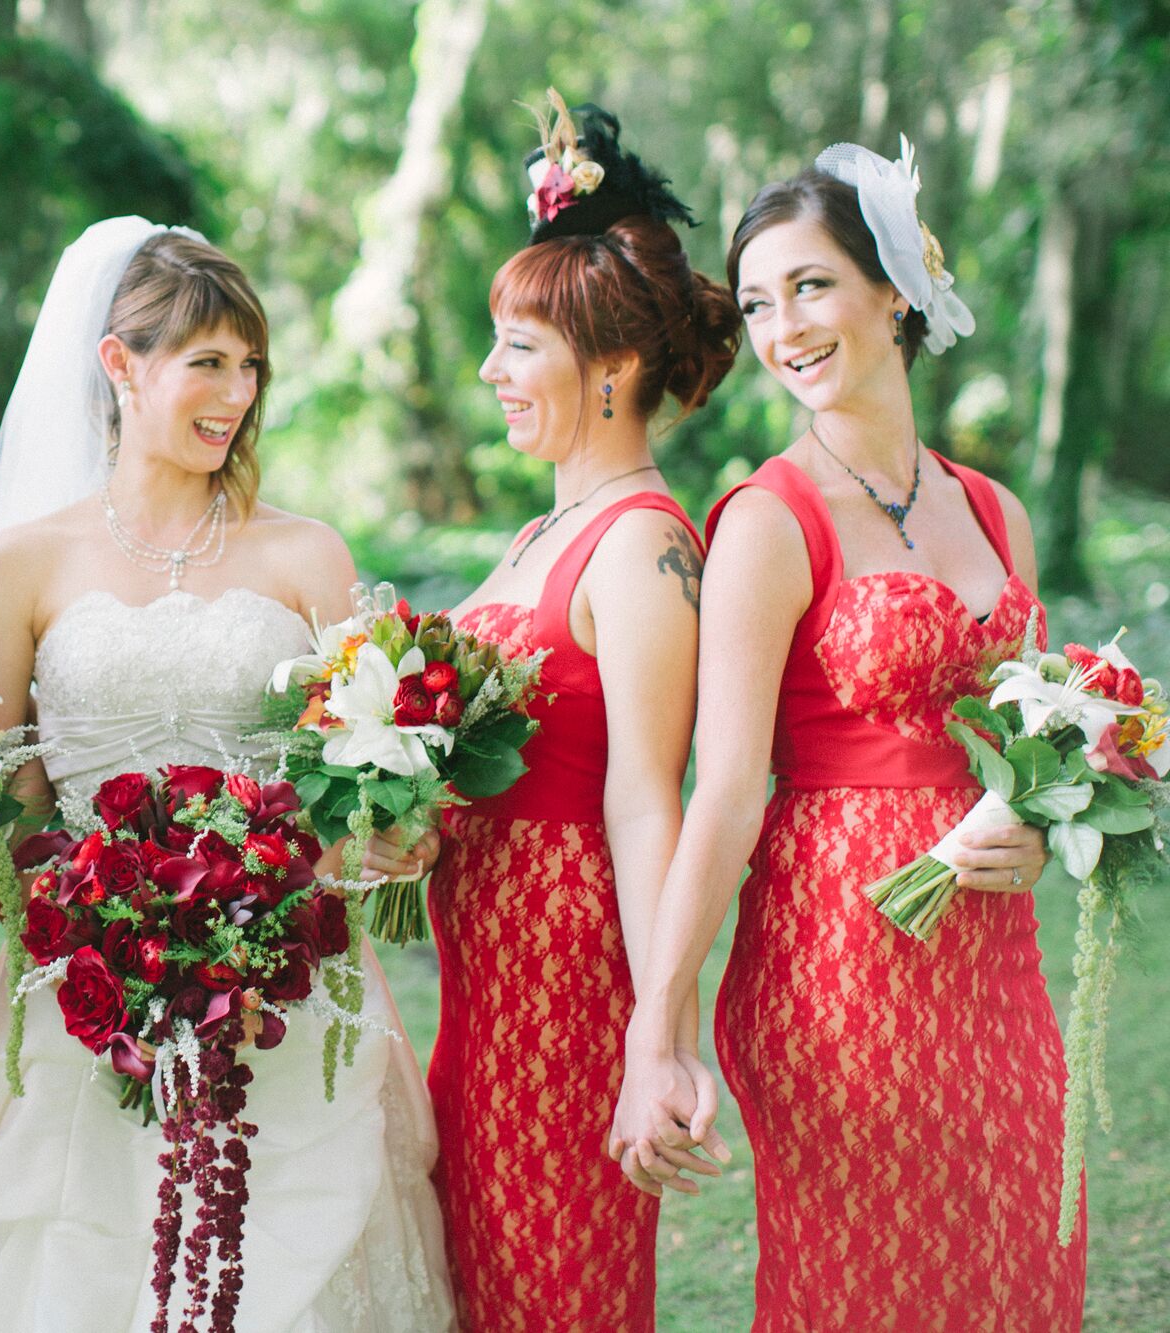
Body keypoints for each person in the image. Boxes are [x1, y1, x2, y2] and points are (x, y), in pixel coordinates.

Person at [0, 219, 454, 1331]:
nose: (236, 391)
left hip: (281, 982)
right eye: (205, 361)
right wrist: (102, 915)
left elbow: (351, 779)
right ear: (118, 363)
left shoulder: (304, 554)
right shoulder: (27, 563)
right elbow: (4, 801)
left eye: (249, 364)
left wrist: (380, 837)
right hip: (86, 988)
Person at [610, 138, 1086, 1330]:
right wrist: (654, 1035)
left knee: (1022, 1258)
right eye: (759, 302)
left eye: (809, 286)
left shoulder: (993, 510)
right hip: (832, 965)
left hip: (992, 959)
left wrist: (1035, 831)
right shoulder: (768, 520)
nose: (782, 327)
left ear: (895, 287)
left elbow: (1031, 753)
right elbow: (720, 790)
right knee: (863, 1290)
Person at [421, 96, 739, 1330]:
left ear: (609, 369)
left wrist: (651, 1037)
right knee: (484, 1282)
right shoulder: (533, 535)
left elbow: (643, 791)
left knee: (558, 1286)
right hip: (477, 971)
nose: (490, 374)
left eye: (516, 347)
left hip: (562, 981)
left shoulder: (643, 544)